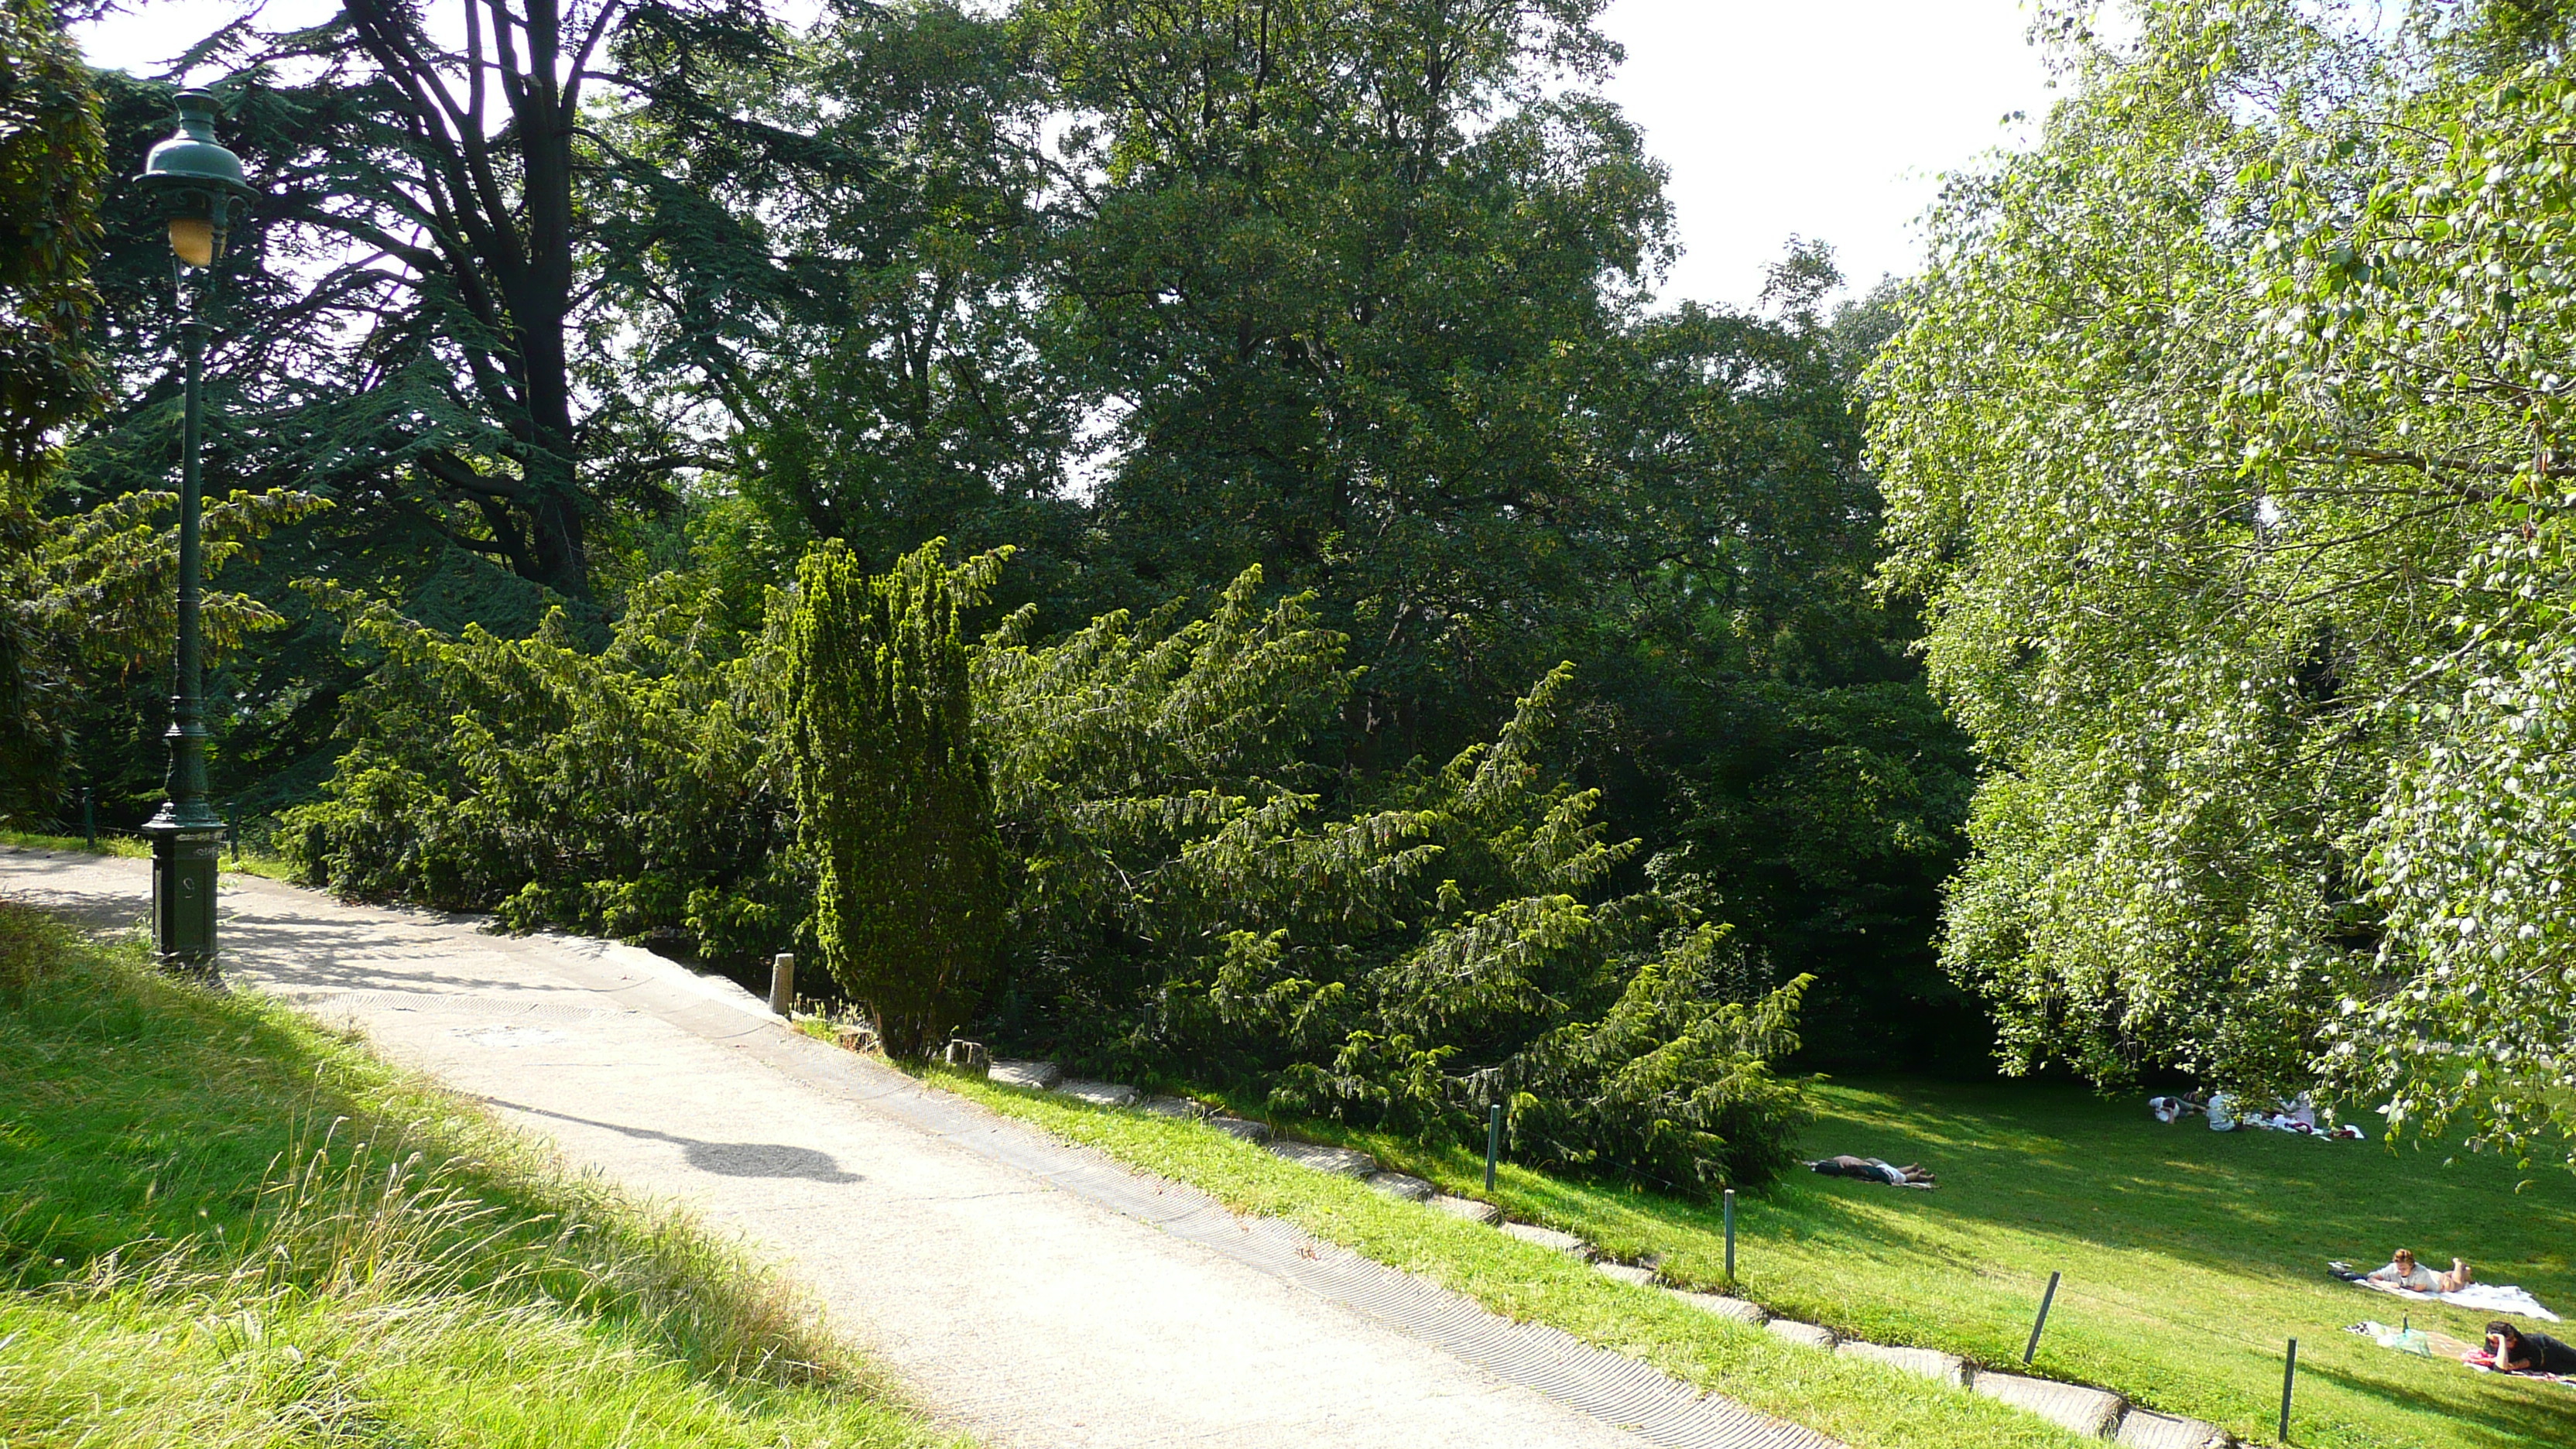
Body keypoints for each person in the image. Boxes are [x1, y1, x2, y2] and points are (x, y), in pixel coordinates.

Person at [2485, 1321, 2576, 1375]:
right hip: (2545, 1365)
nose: (2514, 1341)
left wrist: (2513, 1366)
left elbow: (2532, 1360)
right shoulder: (2492, 1347)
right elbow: (2500, 1370)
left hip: (2547, 1347)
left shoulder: (2522, 1343)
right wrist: (2502, 1342)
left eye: (2510, 1340)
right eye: (2508, 1340)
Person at [2365, 1249, 2472, 1293]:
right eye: (2399, 1268)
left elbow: (2417, 1289)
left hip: (2440, 1283)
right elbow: (2371, 1278)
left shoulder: (2420, 1272)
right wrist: (2385, 1284)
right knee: (2449, 1276)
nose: (2400, 1271)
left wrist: (2398, 1286)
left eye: (2404, 1269)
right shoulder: (2392, 1268)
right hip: (2431, 1276)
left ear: (2411, 1266)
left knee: (2458, 1284)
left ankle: (2459, 1266)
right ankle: (2465, 1272)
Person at [1806, 1155, 1935, 1187]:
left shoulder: (1875, 1174)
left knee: (1908, 1177)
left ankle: (1921, 1175)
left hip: (1891, 1175)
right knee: (1899, 1171)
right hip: (1885, 1169)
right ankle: (1915, 1168)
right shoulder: (1873, 1168)